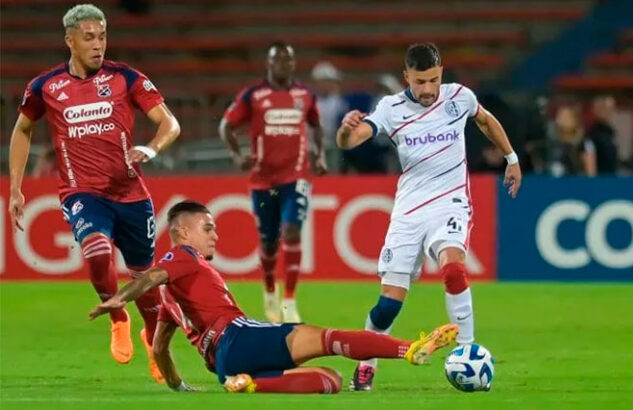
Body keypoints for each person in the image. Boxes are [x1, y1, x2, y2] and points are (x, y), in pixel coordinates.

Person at [88, 200, 458, 394]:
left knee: (328, 380)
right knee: (326, 338)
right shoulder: (182, 257)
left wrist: (178, 386)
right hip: (238, 337)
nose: (215, 235)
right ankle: (410, 348)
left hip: (224, 365)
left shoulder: (170, 298)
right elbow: (152, 274)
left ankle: (248, 384)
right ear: (182, 232)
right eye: (208, 227)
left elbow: (159, 349)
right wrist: (121, 297)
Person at [7, 4, 180, 382]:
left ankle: (152, 341)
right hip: (82, 192)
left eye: (102, 36)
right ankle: (116, 313)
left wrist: (151, 149)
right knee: (97, 251)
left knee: (145, 281)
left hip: (131, 194)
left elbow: (169, 122)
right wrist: (16, 188)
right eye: (89, 37)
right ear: (69, 40)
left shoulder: (125, 77)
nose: (97, 44)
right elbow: (22, 129)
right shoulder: (45, 86)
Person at [335, 42, 522, 391]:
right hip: (408, 211)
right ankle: (367, 364)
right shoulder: (390, 109)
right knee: (388, 306)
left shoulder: (458, 98)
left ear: (441, 74)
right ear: (406, 76)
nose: (427, 89)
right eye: (420, 81)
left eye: (433, 79)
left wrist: (511, 158)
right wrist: (347, 130)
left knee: (453, 269)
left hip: (450, 203)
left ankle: (467, 349)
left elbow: (484, 119)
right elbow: (351, 141)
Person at [218, 42, 326, 324]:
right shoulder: (254, 95)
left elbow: (316, 124)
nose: (283, 65)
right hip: (263, 181)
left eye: (288, 60)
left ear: (293, 63)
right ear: (268, 63)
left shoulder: (305, 94)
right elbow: (226, 125)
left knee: (291, 232)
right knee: (268, 242)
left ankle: (289, 299)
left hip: (297, 176)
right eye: (277, 60)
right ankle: (269, 288)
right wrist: (236, 154)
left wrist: (320, 154)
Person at [585, 95, 618, 174]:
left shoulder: (610, 134)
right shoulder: (592, 135)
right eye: (603, 108)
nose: (609, 112)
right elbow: (590, 168)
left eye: (611, 108)